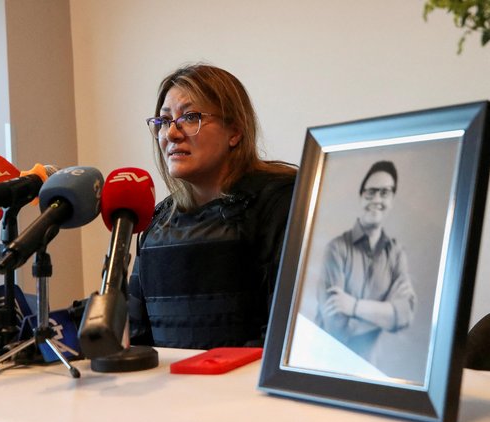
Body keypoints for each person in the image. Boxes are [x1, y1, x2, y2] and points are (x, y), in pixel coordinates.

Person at [128, 63, 297, 349]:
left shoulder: (281, 201)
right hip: (170, 391)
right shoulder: (158, 221)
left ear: (235, 131)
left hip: (244, 390)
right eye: (164, 121)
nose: (172, 134)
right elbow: (135, 337)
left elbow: (286, 336)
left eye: (190, 117)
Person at [316, 160, 416, 363]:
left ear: (393, 198)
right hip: (327, 366)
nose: (377, 199)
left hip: (374, 370)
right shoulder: (336, 249)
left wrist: (353, 306)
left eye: (385, 192)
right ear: (361, 197)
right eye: (371, 192)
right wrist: (386, 315)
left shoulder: (396, 252)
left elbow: (405, 314)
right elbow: (336, 324)